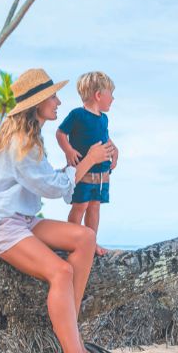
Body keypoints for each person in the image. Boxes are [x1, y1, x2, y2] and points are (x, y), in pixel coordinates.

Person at [0, 68, 114, 353]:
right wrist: (88, 161)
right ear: (39, 103)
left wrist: (92, 160)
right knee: (60, 272)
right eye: (54, 96)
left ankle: (68, 329)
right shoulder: (21, 144)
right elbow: (52, 189)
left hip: (22, 218)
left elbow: (54, 182)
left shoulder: (32, 139)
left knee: (84, 237)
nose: (59, 101)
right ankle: (75, 350)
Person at [56, 71, 118, 256]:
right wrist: (68, 150)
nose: (113, 99)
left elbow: (105, 138)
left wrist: (115, 150)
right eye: (111, 95)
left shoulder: (103, 118)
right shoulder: (77, 115)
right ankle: (70, 241)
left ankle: (92, 242)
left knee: (94, 207)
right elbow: (60, 133)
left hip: (102, 174)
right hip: (83, 172)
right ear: (98, 95)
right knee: (80, 206)